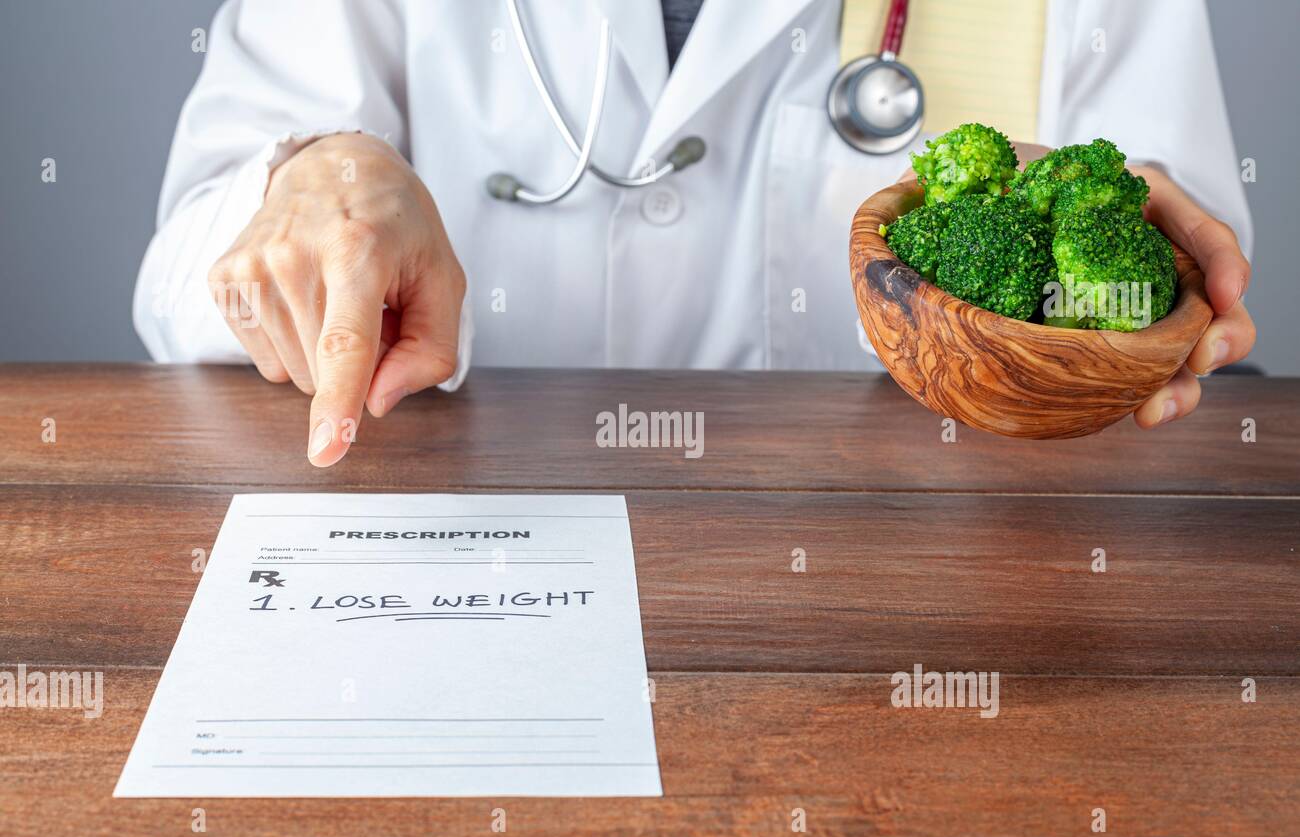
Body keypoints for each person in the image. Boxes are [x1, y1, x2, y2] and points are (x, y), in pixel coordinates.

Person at [134, 0, 1255, 467]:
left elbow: (1165, 257)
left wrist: (1087, 259)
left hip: (916, 617)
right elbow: (189, 256)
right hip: (473, 551)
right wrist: (310, 185)